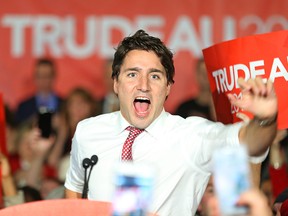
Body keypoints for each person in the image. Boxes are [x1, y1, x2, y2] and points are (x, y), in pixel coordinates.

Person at [64, 30, 278, 215]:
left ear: (168, 88)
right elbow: (74, 186)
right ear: (116, 84)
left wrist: (265, 119)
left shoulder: (191, 136)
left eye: (155, 76)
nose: (143, 85)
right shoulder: (88, 132)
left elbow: (249, 143)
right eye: (132, 74)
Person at [15, 58, 62, 124]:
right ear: (34, 78)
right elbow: (17, 131)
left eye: (47, 76)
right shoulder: (24, 107)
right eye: (40, 76)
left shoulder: (64, 104)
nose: (43, 80)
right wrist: (31, 123)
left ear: (53, 77)